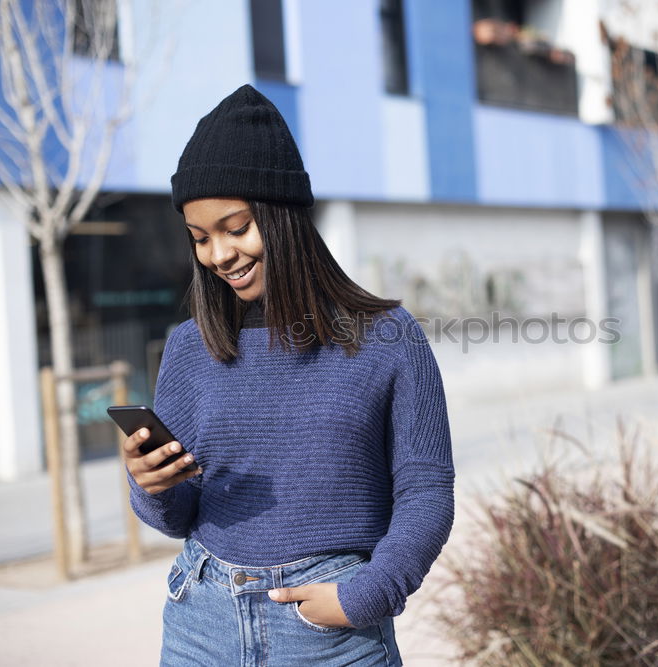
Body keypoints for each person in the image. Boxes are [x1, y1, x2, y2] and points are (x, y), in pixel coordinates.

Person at [120, 84, 455, 666]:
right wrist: (152, 484)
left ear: (283, 217)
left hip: (330, 634)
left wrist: (365, 596)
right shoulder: (188, 347)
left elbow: (427, 493)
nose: (219, 254)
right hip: (202, 622)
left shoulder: (389, 338)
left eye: (236, 227)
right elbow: (178, 518)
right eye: (201, 238)